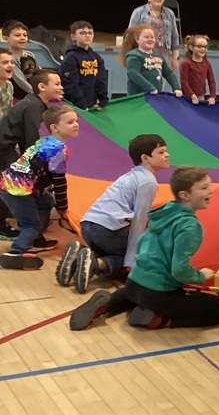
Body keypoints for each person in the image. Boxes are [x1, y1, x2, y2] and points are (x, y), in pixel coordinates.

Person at [68, 166, 219, 331]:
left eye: (210, 186)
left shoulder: (163, 212)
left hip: (134, 282)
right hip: (159, 294)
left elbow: (141, 244)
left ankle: (110, 302)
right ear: (185, 195)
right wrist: (199, 276)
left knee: (136, 293)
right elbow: (179, 270)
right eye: (204, 188)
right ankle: (157, 319)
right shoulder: (189, 226)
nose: (211, 191)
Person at [57, 134, 169, 293]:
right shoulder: (148, 182)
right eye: (161, 152)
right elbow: (139, 219)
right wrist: (131, 259)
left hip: (88, 225)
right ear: (146, 157)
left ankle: (79, 258)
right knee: (140, 255)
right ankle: (97, 264)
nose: (167, 155)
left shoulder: (131, 175)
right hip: (107, 230)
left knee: (111, 250)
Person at [0, 104, 78, 270]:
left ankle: (33, 238)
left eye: (76, 121)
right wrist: (63, 206)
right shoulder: (58, 149)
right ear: (54, 128)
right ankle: (15, 252)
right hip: (17, 189)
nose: (76, 125)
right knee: (31, 224)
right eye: (70, 122)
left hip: (10, 182)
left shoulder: (45, 141)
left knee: (45, 201)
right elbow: (59, 180)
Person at [0, 69, 64, 240]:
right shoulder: (33, 106)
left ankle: (30, 231)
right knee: (13, 185)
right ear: (42, 87)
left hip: (8, 147)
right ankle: (26, 231)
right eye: (56, 84)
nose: (61, 87)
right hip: (3, 149)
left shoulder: (36, 104)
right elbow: (31, 141)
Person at [59, 21, 108, 111]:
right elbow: (71, 84)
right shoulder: (70, 58)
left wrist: (102, 99)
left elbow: (101, 80)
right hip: (75, 106)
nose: (87, 35)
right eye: (82, 33)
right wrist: (81, 105)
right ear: (73, 36)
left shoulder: (96, 57)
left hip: (93, 104)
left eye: (90, 33)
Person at [121, 25, 182, 97]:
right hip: (138, 97)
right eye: (146, 37)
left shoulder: (158, 55)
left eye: (152, 37)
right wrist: (149, 87)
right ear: (137, 39)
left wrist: (176, 87)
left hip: (154, 95)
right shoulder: (133, 55)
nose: (150, 39)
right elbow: (133, 74)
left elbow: (168, 73)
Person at [128, 0, 180, 70]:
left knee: (159, 82)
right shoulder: (138, 12)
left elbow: (174, 36)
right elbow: (130, 34)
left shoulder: (170, 14)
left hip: (163, 56)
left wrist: (175, 59)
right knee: (145, 82)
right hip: (143, 55)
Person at [2, 20, 38, 100]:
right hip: (21, 97)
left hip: (36, 92)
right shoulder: (10, 59)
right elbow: (21, 82)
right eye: (17, 35)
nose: (22, 38)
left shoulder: (30, 55)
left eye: (24, 35)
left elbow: (40, 73)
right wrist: (39, 94)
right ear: (5, 38)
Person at [179, 34, 217, 105]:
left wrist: (212, 96)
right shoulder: (186, 63)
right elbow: (184, 82)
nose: (203, 49)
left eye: (205, 47)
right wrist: (192, 95)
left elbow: (211, 81)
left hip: (200, 97)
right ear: (191, 47)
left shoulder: (207, 64)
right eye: (199, 46)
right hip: (187, 97)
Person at [0, 48, 15, 122]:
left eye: (12, 62)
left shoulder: (9, 85)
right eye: (5, 63)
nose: (10, 65)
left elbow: (10, 111)